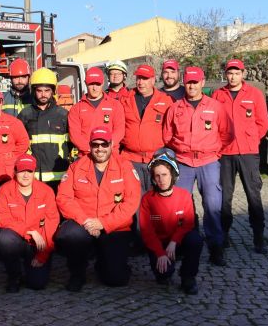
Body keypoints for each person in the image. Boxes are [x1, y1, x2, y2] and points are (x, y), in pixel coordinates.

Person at [55, 127, 140, 292]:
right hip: (84, 223)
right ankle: (77, 273)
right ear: (90, 146)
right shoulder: (76, 167)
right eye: (95, 145)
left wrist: (103, 223)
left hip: (114, 226)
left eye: (104, 144)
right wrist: (85, 221)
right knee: (69, 235)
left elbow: (131, 202)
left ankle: (103, 261)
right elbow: (64, 198)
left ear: (111, 144)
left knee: (116, 279)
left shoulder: (125, 166)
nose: (100, 149)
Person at [163, 66, 233, 266]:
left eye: (195, 82)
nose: (192, 86)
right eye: (189, 82)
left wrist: (214, 150)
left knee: (212, 206)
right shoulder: (175, 108)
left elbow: (227, 133)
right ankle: (182, 244)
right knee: (179, 207)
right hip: (183, 162)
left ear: (202, 82)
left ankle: (216, 247)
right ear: (184, 83)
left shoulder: (216, 106)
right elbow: (167, 136)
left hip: (208, 161)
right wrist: (180, 150)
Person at [212, 59, 268, 254]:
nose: (233, 77)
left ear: (243, 74)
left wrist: (251, 140)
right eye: (230, 73)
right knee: (224, 196)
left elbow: (262, 122)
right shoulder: (218, 94)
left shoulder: (254, 94)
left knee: (253, 195)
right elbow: (214, 121)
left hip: (248, 153)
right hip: (225, 153)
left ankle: (259, 236)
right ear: (225, 74)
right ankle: (224, 234)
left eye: (237, 73)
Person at [139, 151, 203, 295]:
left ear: (173, 175)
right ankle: (165, 268)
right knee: (164, 274)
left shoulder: (184, 195)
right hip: (159, 244)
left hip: (177, 241)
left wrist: (174, 241)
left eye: (165, 174)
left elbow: (188, 223)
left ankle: (188, 277)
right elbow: (147, 231)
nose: (161, 179)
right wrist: (160, 253)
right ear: (153, 178)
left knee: (195, 240)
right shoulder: (147, 199)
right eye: (157, 175)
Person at [0, 154, 59, 292]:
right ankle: (14, 276)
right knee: (5, 238)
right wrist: (29, 232)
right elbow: (2, 219)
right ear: (15, 171)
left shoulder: (46, 191)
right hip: (18, 239)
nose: (25, 175)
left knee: (37, 284)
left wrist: (43, 255)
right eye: (21, 171)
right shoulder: (5, 190)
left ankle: (32, 268)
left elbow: (52, 223)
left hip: (39, 243)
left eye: (29, 171)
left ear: (34, 172)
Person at [119, 65, 174, 194]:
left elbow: (171, 129)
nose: (140, 82)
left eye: (145, 79)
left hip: (155, 159)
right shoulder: (125, 100)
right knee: (133, 197)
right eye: (138, 78)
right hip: (130, 159)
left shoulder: (166, 100)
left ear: (153, 80)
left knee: (155, 198)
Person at [18, 68, 71, 191]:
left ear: (53, 91)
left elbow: (71, 143)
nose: (43, 94)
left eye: (47, 90)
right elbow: (18, 144)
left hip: (58, 175)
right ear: (33, 91)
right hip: (33, 176)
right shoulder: (25, 115)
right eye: (39, 91)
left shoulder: (63, 115)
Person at [67, 66, 124, 156]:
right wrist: (92, 149)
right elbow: (75, 136)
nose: (94, 88)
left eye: (97, 84)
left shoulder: (115, 105)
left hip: (110, 156)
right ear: (85, 83)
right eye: (91, 84)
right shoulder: (76, 109)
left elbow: (119, 130)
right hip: (86, 156)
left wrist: (105, 147)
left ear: (103, 83)